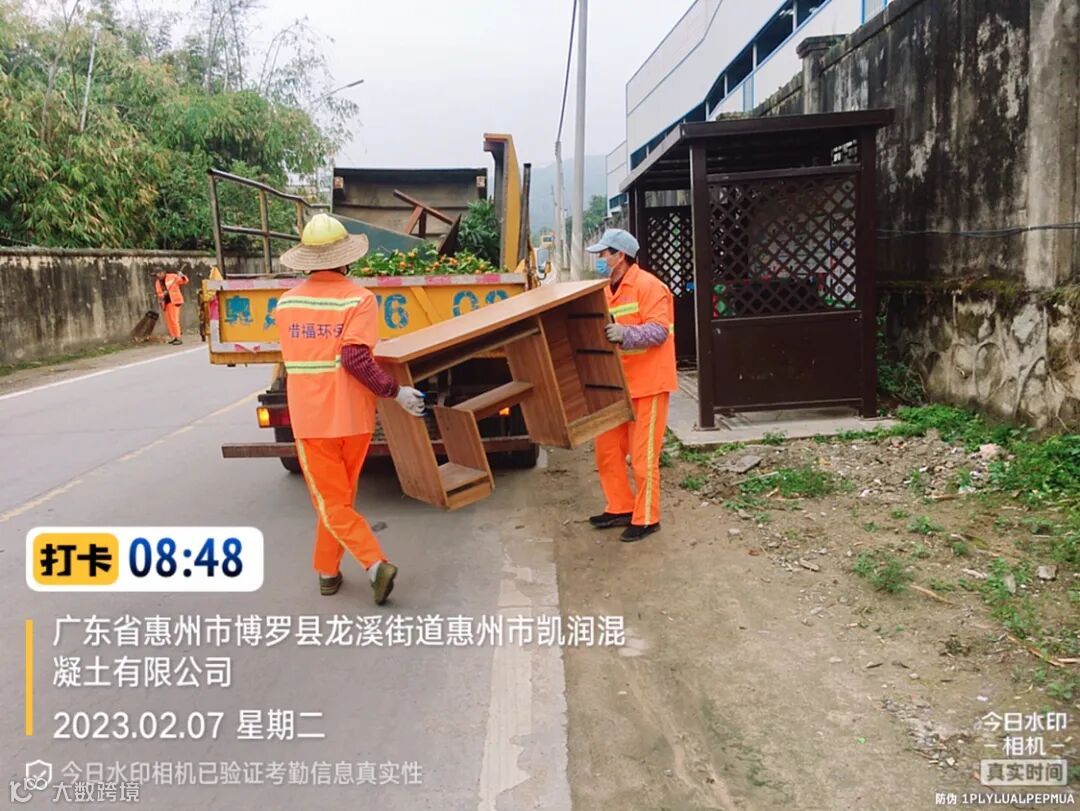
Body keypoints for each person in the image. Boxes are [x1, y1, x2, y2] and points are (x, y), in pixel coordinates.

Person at [276, 213, 426, 604]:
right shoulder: (360, 299)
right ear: (346, 258)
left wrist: (394, 391)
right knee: (338, 501)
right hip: (354, 419)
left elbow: (348, 358)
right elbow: (356, 358)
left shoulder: (287, 305)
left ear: (307, 260)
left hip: (312, 422)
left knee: (331, 502)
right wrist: (396, 392)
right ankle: (327, 571)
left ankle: (375, 564)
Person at [585, 228, 677, 542]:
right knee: (607, 451)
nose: (599, 259)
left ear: (620, 255)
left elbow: (659, 331)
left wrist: (625, 334)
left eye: (603, 253)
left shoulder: (650, 286)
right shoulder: (604, 290)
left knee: (643, 458)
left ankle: (647, 518)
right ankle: (620, 507)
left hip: (649, 384)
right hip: (617, 385)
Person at [154, 269, 189, 345]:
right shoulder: (157, 282)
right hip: (165, 303)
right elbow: (159, 293)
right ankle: (173, 337)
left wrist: (182, 276)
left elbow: (184, 281)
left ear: (163, 272)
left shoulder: (173, 277)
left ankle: (178, 337)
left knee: (174, 320)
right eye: (157, 274)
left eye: (159, 273)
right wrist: (163, 294)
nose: (158, 275)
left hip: (174, 301)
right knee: (169, 321)